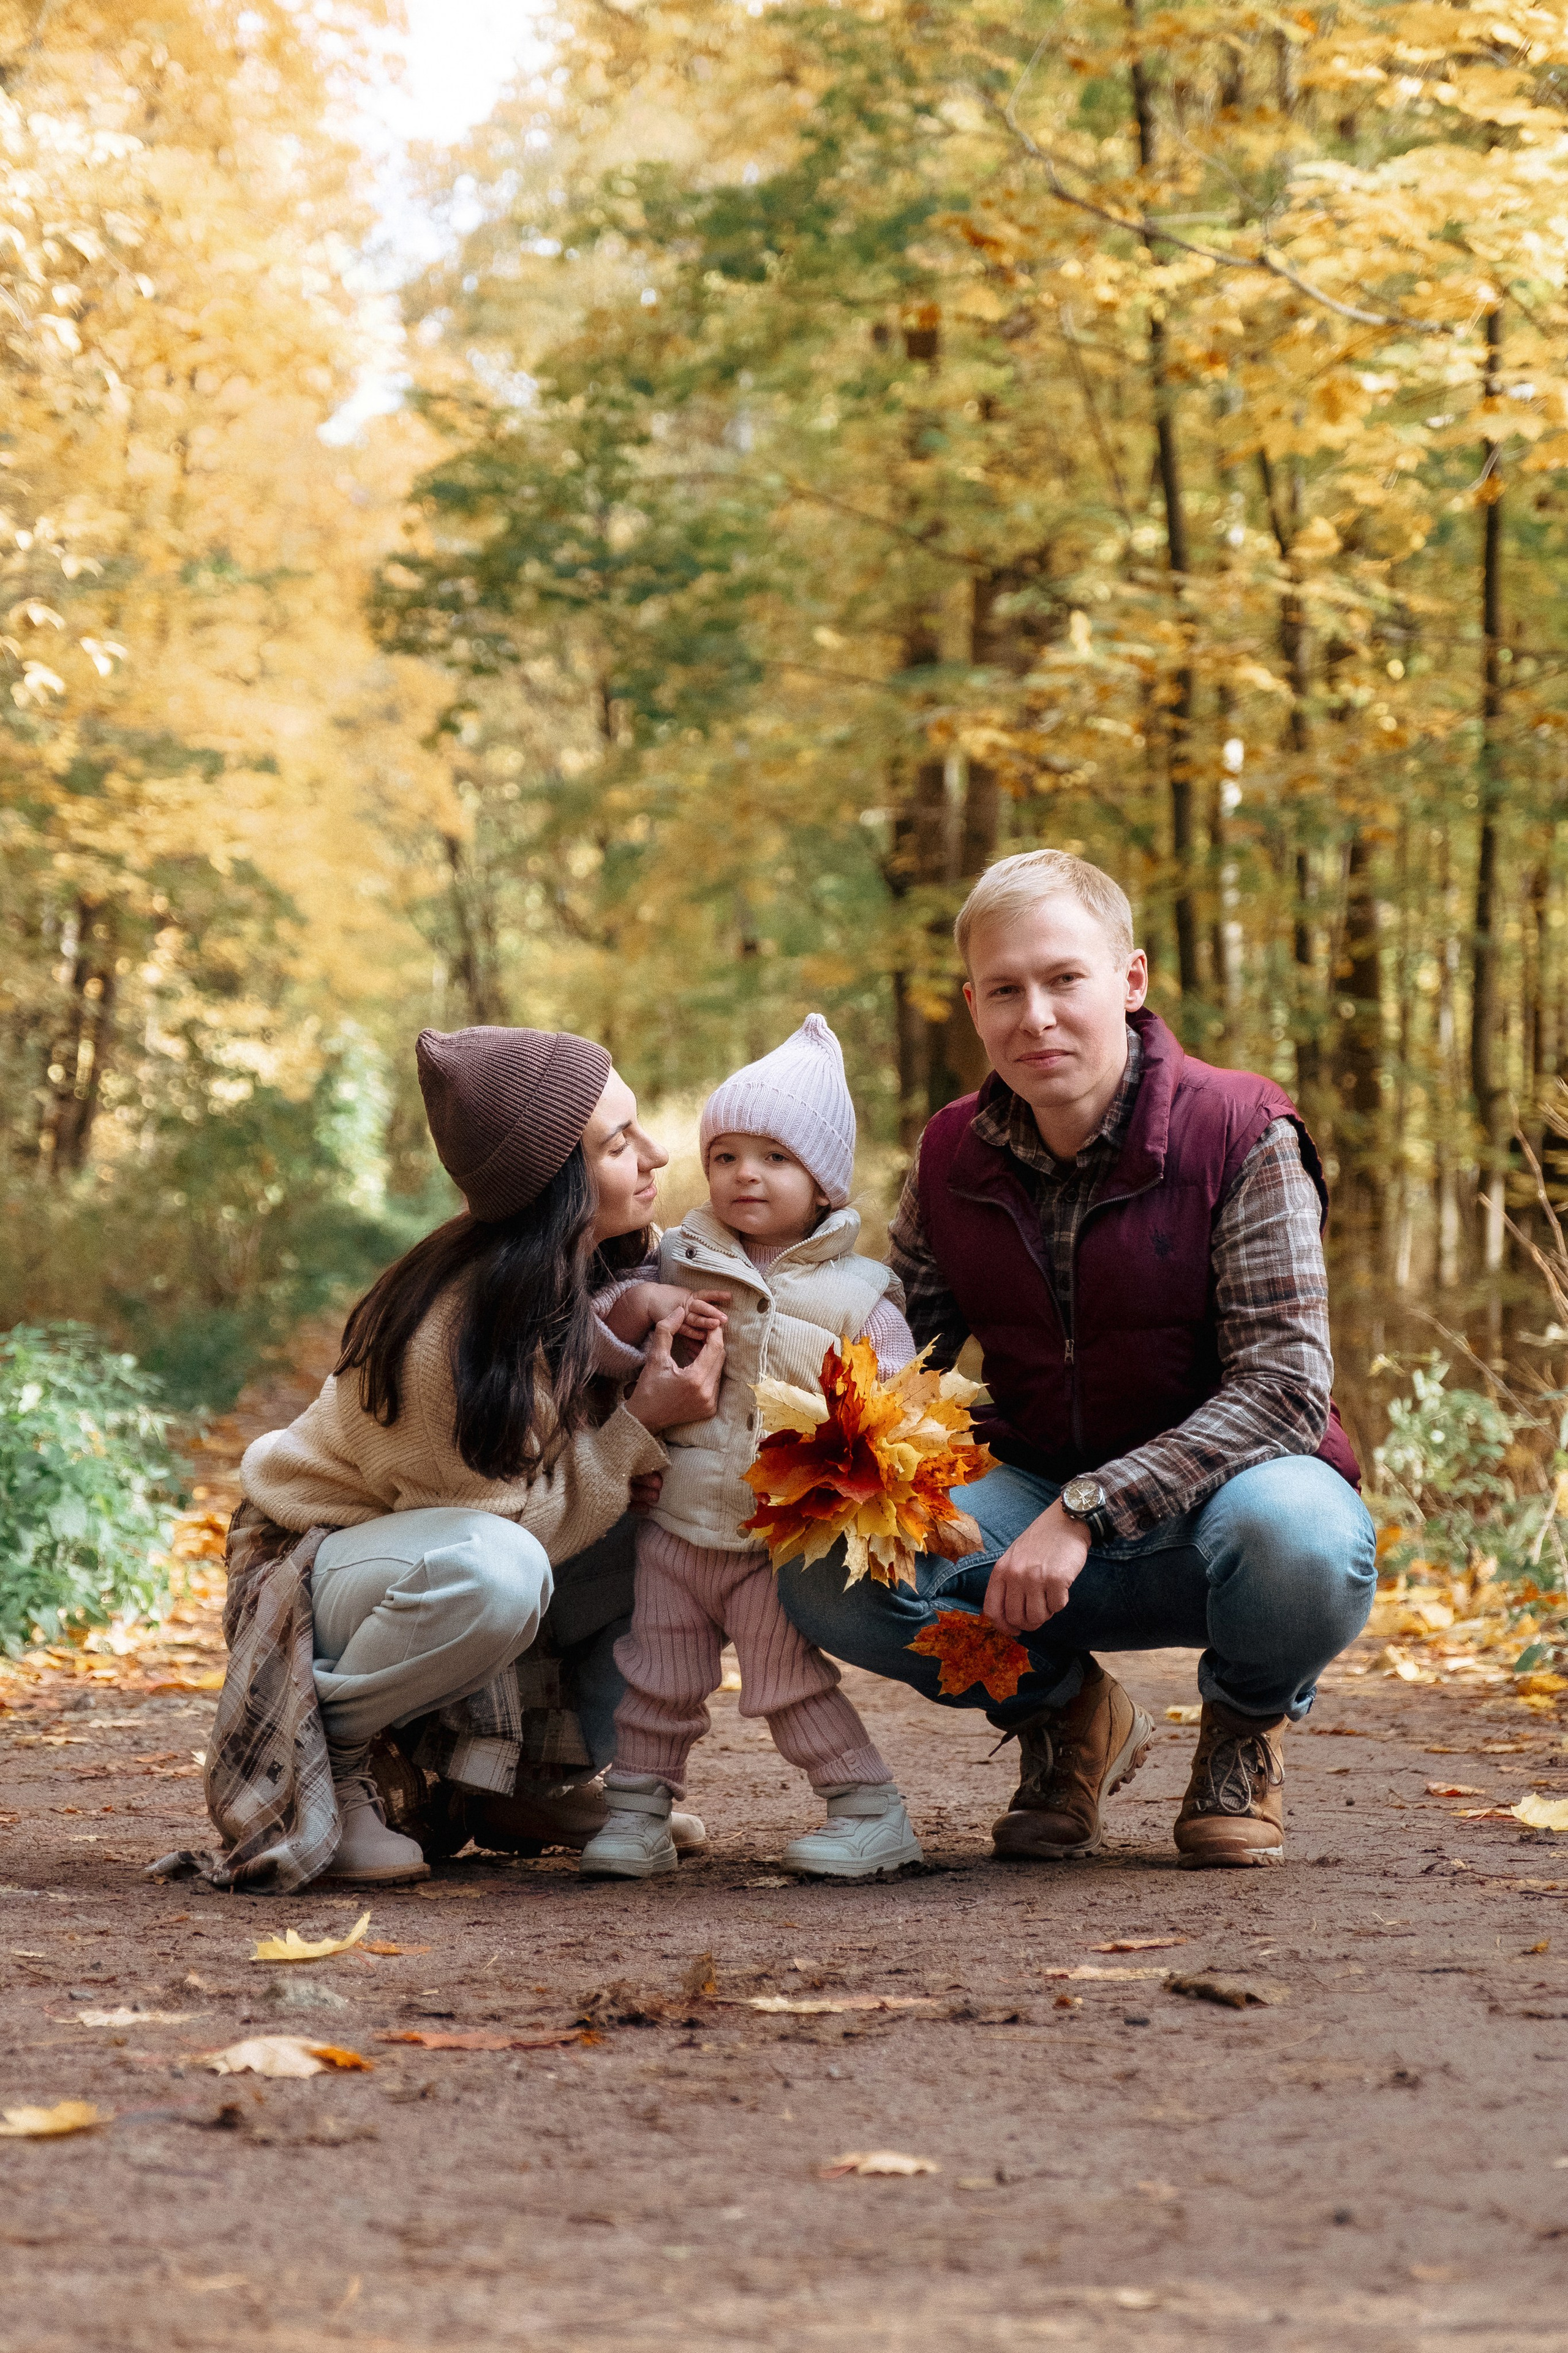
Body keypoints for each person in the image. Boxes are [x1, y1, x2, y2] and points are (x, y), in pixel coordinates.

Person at [777, 850, 1377, 1870]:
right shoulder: (950, 1152)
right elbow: (899, 1357)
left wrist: (1088, 1507)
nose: (1037, 1015)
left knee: (1307, 1536)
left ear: (1130, 982)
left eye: (1065, 979)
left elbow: (1283, 1391)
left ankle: (1243, 1727)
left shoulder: (1242, 1130)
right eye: (1005, 990)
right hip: (1027, 1503)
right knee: (827, 1558)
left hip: (1227, 1507)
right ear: (974, 1004)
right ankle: (1068, 1712)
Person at [210, 1024, 727, 1887]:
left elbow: (561, 1452)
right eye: (616, 1143)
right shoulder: (448, 1337)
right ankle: (327, 1763)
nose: (657, 1152)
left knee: (692, 1522)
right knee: (500, 1572)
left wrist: (636, 1310)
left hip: (437, 1550)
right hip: (318, 1564)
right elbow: (508, 1528)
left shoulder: (577, 1268)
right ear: (554, 1186)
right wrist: (637, 1422)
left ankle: (532, 1783)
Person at [578, 1016, 924, 1881]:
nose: (745, 1175)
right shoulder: (674, 1267)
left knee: (786, 1683)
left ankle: (869, 1810)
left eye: (774, 1158)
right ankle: (636, 1813)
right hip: (677, 1524)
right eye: (727, 1155)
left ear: (824, 1182)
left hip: (780, 1536)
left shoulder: (861, 1295)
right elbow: (601, 1332)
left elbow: (902, 1409)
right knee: (656, 1677)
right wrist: (634, 1314)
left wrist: (871, 1483)